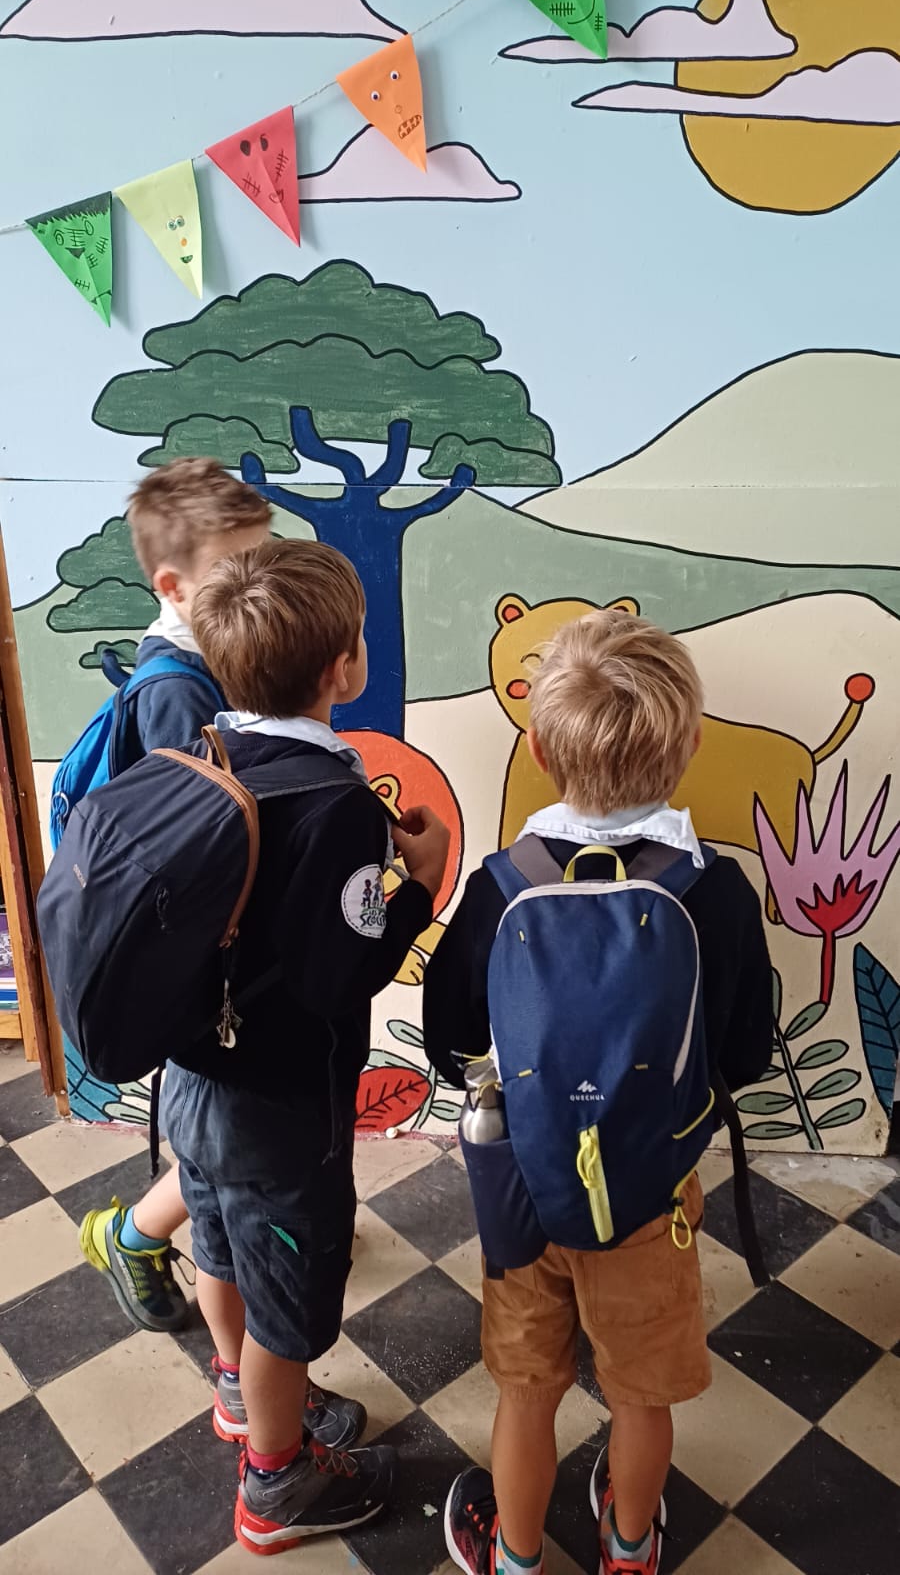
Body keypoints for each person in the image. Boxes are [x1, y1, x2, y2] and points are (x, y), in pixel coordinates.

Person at [423, 608, 773, 1575]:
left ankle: (515, 1554)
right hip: (652, 1195)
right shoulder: (714, 892)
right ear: (690, 747)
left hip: (524, 1191)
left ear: (538, 751)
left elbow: (451, 1037)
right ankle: (629, 1546)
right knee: (639, 1396)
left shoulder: (501, 885)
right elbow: (746, 1052)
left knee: (527, 1388)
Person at [158, 539, 450, 1552]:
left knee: (218, 1244)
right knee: (287, 1308)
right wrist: (421, 884)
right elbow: (340, 974)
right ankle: (275, 1482)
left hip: (191, 1084)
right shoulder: (335, 804)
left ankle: (240, 1394)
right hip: (282, 1110)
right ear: (345, 666)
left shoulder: (203, 753)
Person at [79, 458, 271, 1336]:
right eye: (239, 567)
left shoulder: (219, 659)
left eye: (265, 558)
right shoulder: (175, 692)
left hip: (225, 942)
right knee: (217, 1135)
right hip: (198, 956)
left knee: (231, 1130)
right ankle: (134, 1233)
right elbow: (194, 845)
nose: (258, 581)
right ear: (173, 586)